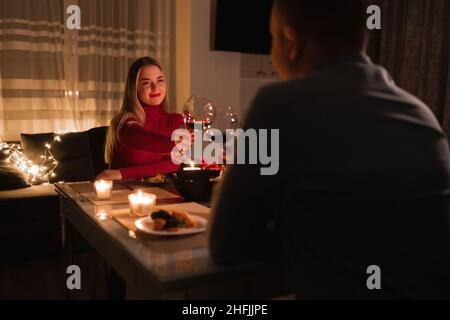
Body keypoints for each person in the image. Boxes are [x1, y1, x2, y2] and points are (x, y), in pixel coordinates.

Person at [209, 0, 450, 299]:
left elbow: (226, 245)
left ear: (292, 41)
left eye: (272, 38)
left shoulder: (276, 105)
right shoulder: (423, 117)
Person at [98, 57, 184, 181]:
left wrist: (121, 173)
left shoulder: (175, 121)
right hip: (121, 192)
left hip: (158, 193)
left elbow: (173, 164)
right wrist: (177, 143)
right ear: (135, 88)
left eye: (160, 81)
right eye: (146, 83)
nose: (155, 87)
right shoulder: (124, 121)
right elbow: (142, 139)